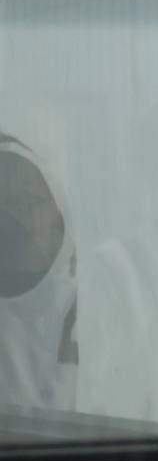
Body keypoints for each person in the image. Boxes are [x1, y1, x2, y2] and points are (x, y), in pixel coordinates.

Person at [0, 130, 78, 414]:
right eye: (6, 205)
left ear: (59, 215)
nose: (18, 217)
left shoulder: (92, 310)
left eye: (31, 202)